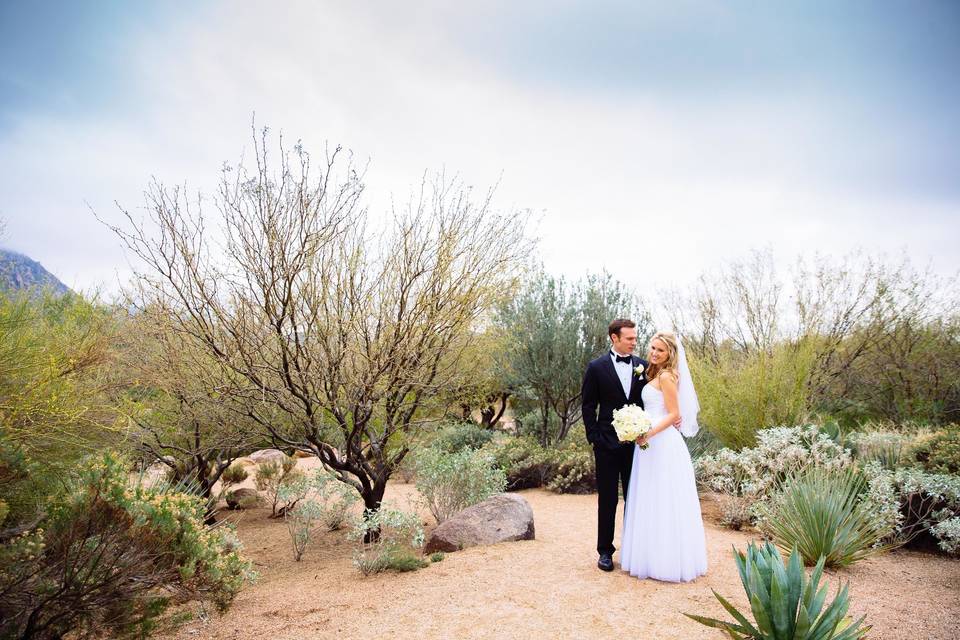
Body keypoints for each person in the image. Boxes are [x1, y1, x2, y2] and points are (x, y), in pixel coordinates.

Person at [620, 331, 707, 582]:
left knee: (665, 498)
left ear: (670, 353)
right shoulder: (655, 373)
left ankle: (667, 562)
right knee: (650, 497)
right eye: (653, 348)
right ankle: (648, 556)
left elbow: (673, 414)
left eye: (660, 350)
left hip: (662, 443)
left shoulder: (667, 376)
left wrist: (647, 432)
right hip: (649, 445)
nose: (654, 353)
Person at [580, 318, 648, 572]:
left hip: (637, 447)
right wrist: (595, 437)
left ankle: (634, 551)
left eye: (634, 338)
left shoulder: (643, 366)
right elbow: (588, 405)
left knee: (636, 498)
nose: (634, 342)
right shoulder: (596, 367)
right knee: (607, 500)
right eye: (629, 338)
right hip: (606, 446)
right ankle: (605, 552)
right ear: (614, 338)